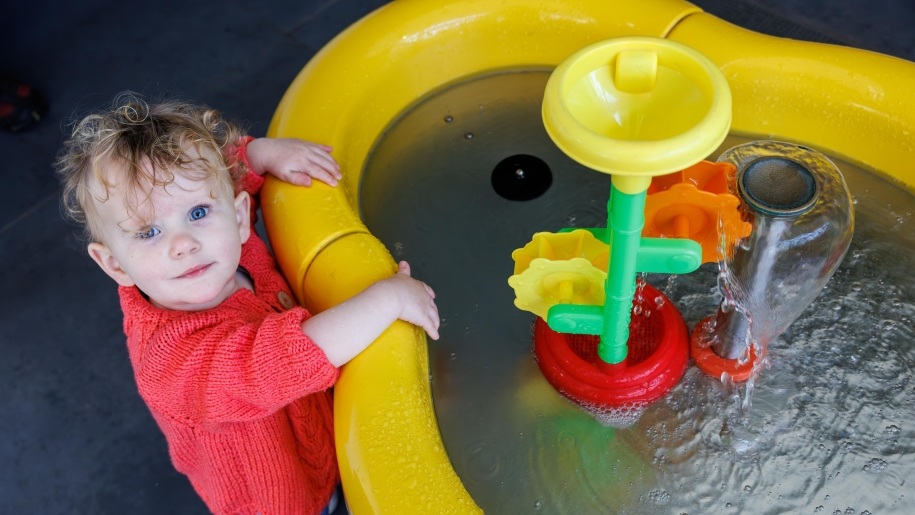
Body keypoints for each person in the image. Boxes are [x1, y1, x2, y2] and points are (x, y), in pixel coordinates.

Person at [55, 92, 441, 515]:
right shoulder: (169, 363)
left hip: (321, 437)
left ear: (239, 218)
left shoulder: (228, 249)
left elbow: (224, 174)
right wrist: (384, 300)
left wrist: (257, 154)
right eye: (148, 233)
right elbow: (273, 362)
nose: (183, 244)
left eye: (198, 213)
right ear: (114, 265)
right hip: (281, 499)